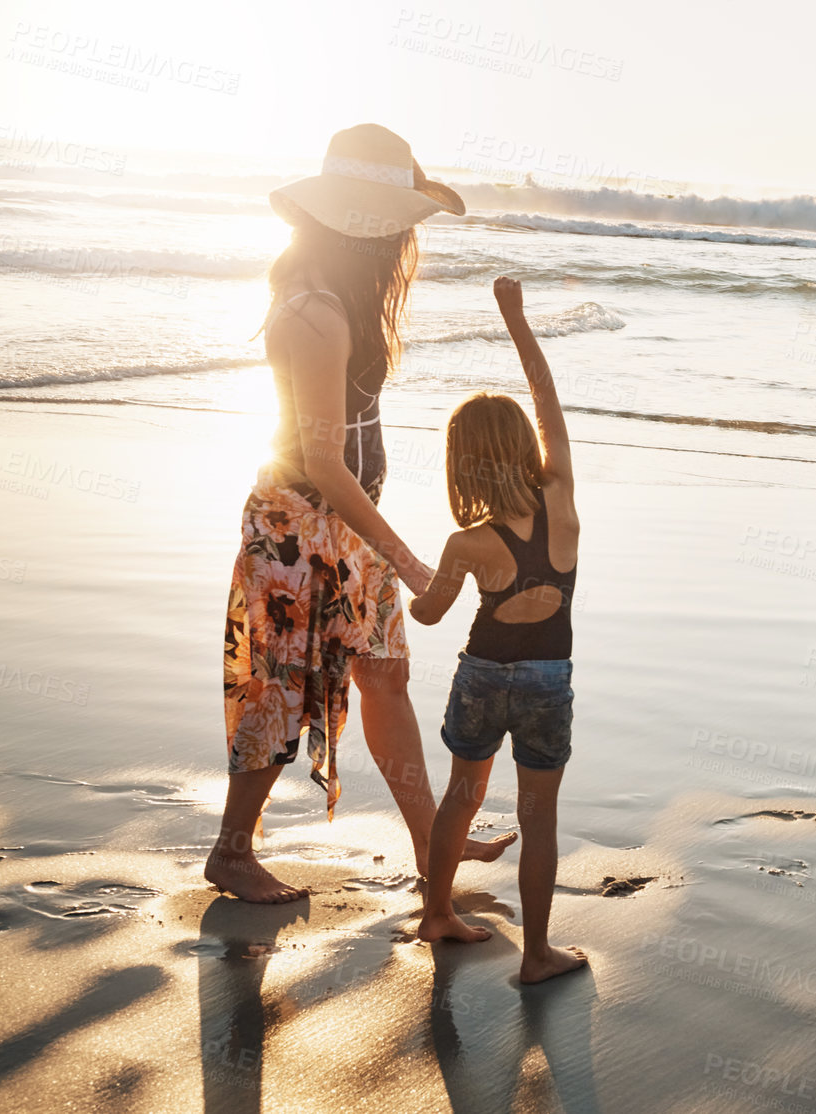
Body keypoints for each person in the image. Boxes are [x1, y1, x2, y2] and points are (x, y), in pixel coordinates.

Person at [210, 124, 514, 904]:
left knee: (386, 678)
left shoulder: (339, 297)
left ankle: (431, 847)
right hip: (295, 530)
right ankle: (232, 851)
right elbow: (319, 463)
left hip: (345, 526)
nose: (407, 240)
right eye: (400, 222)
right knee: (279, 688)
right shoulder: (314, 312)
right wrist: (414, 566)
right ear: (364, 223)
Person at [410, 276, 588, 985]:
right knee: (538, 815)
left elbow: (428, 614)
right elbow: (547, 404)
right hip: (548, 681)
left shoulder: (465, 543)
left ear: (462, 461)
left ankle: (436, 914)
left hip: (480, 677)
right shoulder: (562, 501)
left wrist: (406, 568)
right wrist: (515, 320)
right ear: (525, 448)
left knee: (461, 796)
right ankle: (539, 956)